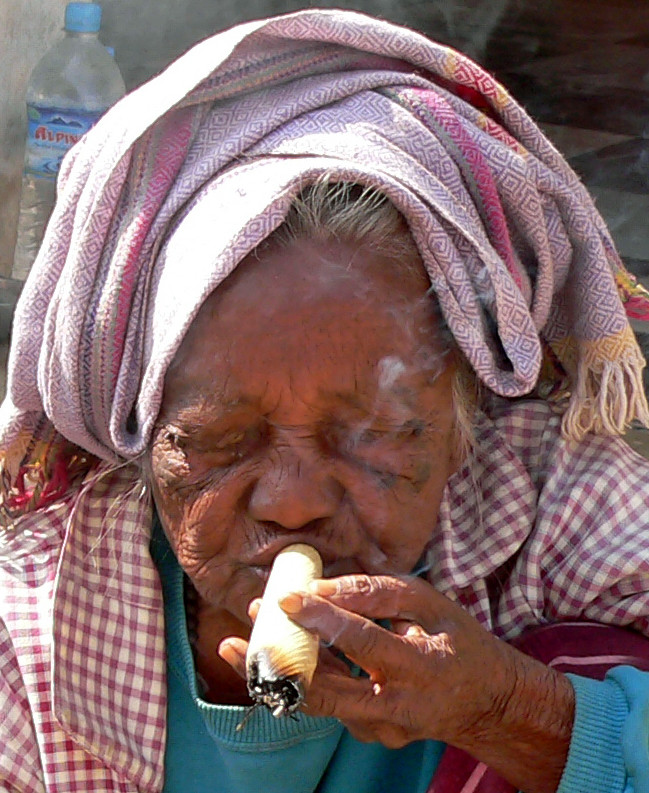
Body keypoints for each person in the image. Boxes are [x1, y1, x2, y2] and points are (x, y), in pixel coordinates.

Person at [1, 9, 648, 793]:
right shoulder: (32, 630)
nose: (295, 503)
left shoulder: (557, 504)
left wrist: (509, 711)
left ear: (462, 421)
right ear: (138, 434)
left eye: (373, 430)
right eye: (219, 437)